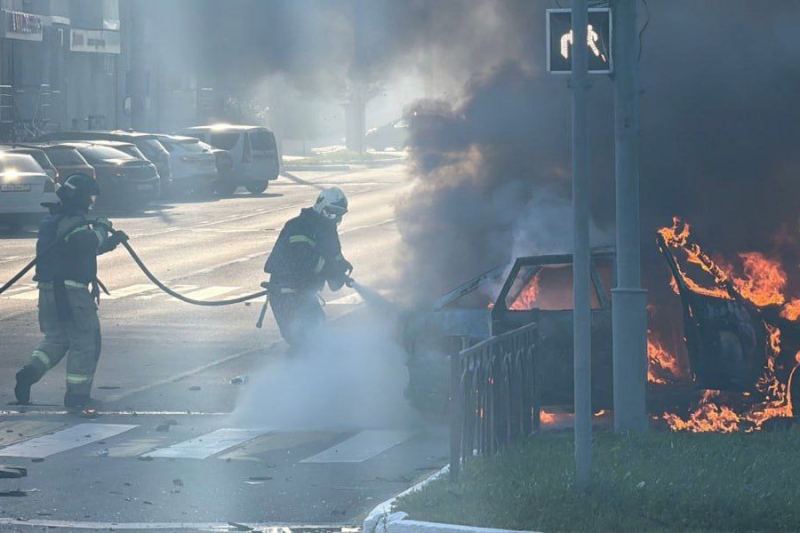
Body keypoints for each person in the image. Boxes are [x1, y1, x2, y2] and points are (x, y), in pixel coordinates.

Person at [14, 174, 128, 408]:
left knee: (57, 339)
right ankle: (77, 395)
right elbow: (86, 243)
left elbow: (78, 249)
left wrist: (111, 242)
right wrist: (102, 228)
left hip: (49, 291)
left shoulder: (56, 220)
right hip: (71, 293)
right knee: (85, 341)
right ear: (80, 197)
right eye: (90, 198)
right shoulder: (71, 220)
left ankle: (30, 373)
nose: (91, 203)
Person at [264, 187, 353, 354]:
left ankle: (315, 368)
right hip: (285, 293)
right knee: (301, 339)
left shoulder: (328, 230)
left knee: (318, 333)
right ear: (320, 205)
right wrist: (330, 269)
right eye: (331, 212)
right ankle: (294, 369)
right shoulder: (299, 226)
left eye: (339, 214)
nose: (335, 218)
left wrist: (342, 266)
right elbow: (304, 261)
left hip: (304, 293)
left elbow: (334, 255)